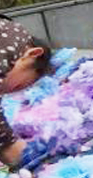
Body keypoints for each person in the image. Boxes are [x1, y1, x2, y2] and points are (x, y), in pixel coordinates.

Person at [0, 18, 53, 170]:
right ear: (32, 54)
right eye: (18, 86)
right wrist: (9, 144)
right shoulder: (8, 43)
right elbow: (11, 152)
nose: (4, 92)